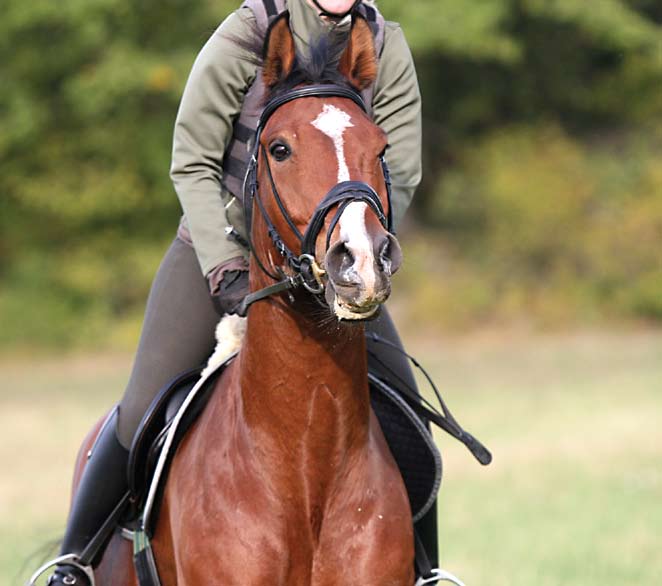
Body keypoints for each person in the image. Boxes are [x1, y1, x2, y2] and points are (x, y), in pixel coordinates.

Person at [42, 1, 430, 584]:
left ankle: (426, 571)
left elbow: (399, 168)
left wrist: (359, 252)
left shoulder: (383, 41)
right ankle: (72, 564)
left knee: (410, 416)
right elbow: (192, 160)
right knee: (142, 406)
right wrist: (225, 263)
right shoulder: (249, 30)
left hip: (333, 258)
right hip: (221, 244)